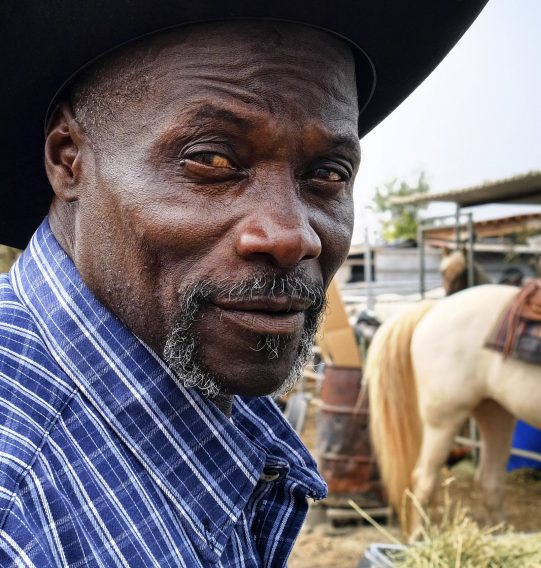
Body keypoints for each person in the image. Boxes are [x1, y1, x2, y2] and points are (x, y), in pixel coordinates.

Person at [0, 2, 486, 565]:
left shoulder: (199, 389)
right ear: (69, 161)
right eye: (209, 159)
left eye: (327, 174)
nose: (291, 236)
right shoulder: (18, 501)